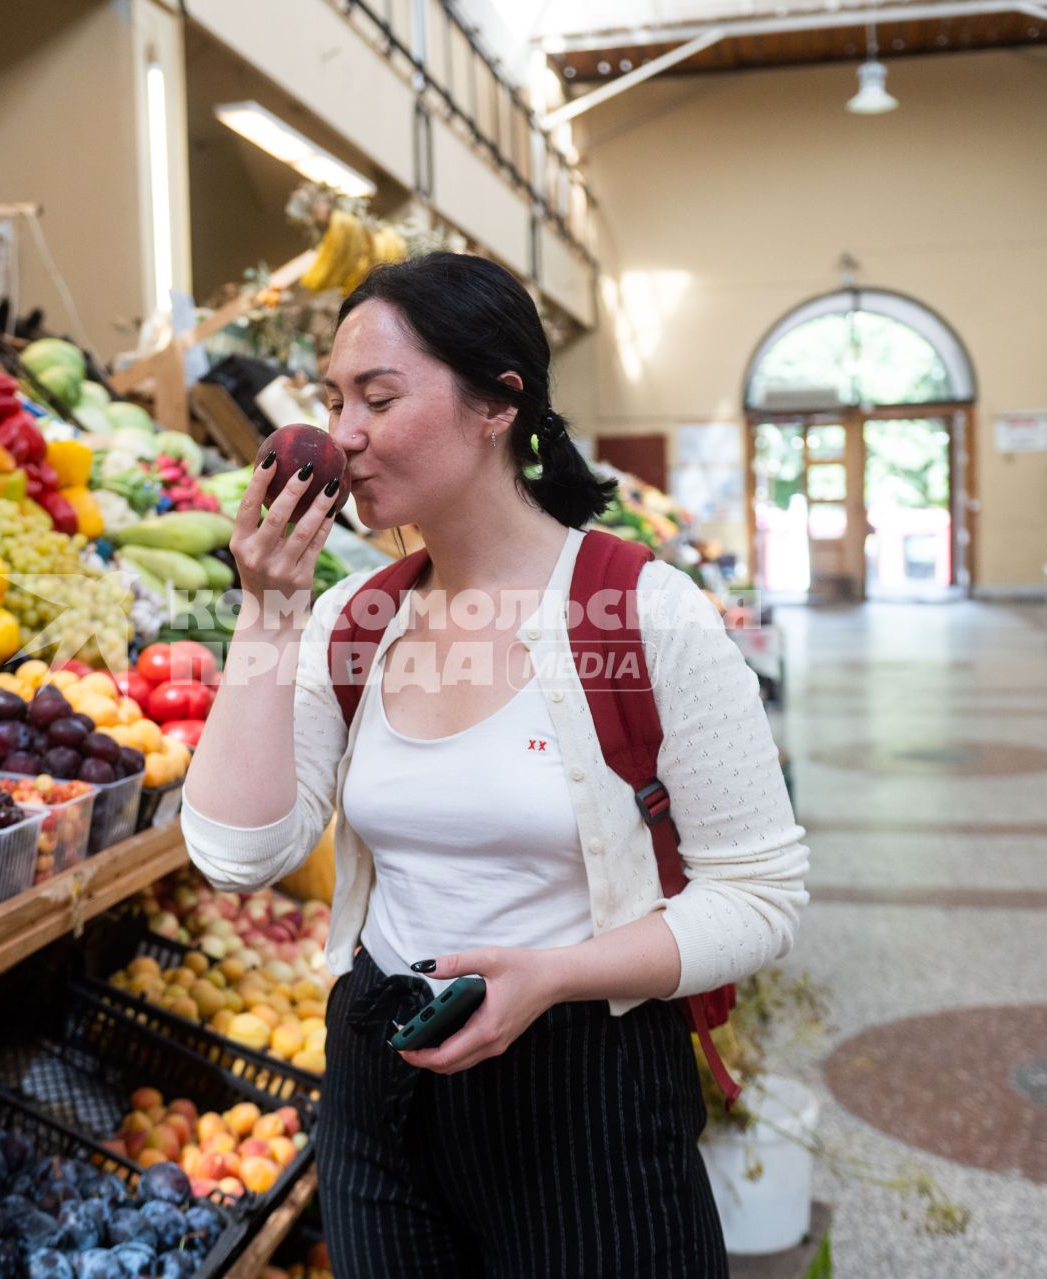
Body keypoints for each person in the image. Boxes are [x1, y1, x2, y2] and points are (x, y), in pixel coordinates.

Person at [182, 252, 808, 1278]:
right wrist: (268, 613)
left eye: (378, 398)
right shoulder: (353, 618)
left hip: (589, 1083)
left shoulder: (644, 612)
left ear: (497, 406)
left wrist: (554, 975)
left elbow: (762, 894)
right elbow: (239, 851)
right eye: (336, 399)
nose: (342, 435)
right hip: (381, 1080)